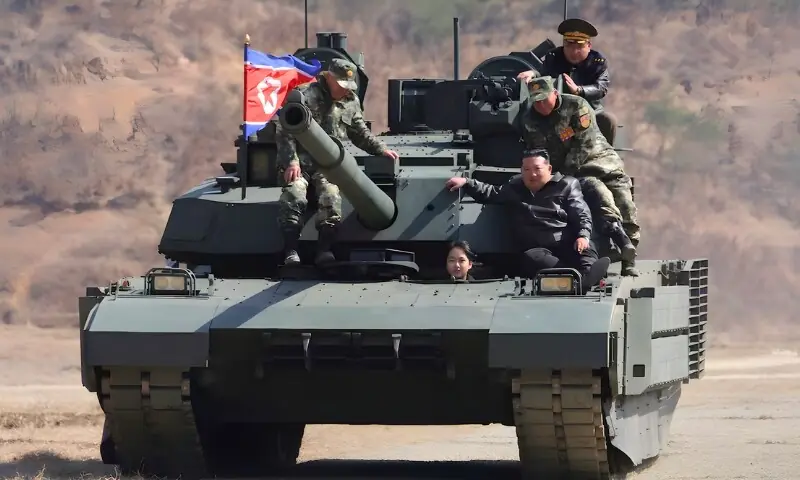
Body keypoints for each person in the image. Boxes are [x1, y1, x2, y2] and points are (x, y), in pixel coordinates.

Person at [275, 58, 400, 265]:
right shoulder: (306, 95)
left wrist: (381, 149)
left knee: (331, 195)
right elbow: (284, 130)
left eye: (349, 85)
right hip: (301, 163)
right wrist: (291, 161)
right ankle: (291, 250)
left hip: (328, 166)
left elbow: (359, 132)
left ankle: (324, 250)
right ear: (330, 78)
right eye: (342, 84)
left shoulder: (350, 101)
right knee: (294, 194)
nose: (345, 89)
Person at [520, 75, 640, 276]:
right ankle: (619, 241)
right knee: (600, 195)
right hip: (573, 173)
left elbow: (584, 144)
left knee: (625, 203)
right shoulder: (530, 119)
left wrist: (564, 175)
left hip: (598, 160)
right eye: (536, 101)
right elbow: (539, 151)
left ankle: (629, 254)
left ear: (555, 94)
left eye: (544, 99)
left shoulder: (577, 106)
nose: (540, 105)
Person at [444, 149, 610, 292]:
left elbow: (581, 213)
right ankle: (576, 280)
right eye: (527, 169)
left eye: (537, 169)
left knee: (586, 246)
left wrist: (583, 235)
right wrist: (466, 182)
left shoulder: (567, 184)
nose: (532, 174)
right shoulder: (515, 188)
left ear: (549, 168)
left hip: (567, 242)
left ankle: (586, 277)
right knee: (532, 257)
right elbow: (491, 192)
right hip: (539, 249)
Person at [517, 18, 617, 146]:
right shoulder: (554, 58)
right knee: (561, 134)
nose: (574, 52)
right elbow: (543, 74)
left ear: (589, 46)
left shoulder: (597, 63)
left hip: (589, 114)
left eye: (579, 47)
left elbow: (601, 87)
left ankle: (604, 154)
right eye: (569, 46)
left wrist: (579, 90)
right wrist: (533, 73)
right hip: (558, 115)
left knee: (608, 121)